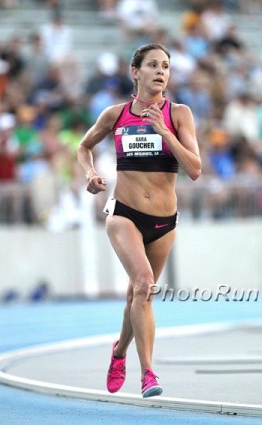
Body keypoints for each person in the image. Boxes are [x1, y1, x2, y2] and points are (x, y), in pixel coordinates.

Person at [77, 43, 201, 398]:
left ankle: (118, 352)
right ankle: (148, 374)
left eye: (166, 66)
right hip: (124, 213)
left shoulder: (179, 114)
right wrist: (88, 173)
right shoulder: (115, 115)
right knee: (144, 282)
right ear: (136, 72)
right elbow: (84, 147)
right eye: (153, 65)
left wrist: (164, 132)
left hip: (164, 221)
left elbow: (194, 169)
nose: (161, 71)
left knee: (138, 294)